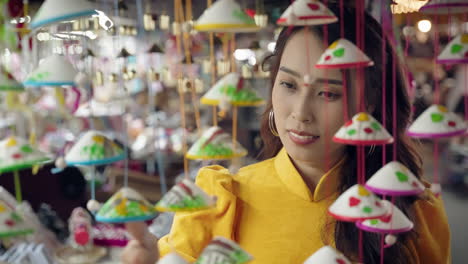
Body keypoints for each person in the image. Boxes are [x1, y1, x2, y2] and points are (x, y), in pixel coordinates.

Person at [121, 4, 450, 264]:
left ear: (371, 103)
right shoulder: (221, 199)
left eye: (328, 93)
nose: (300, 113)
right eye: (288, 85)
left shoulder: (415, 208)